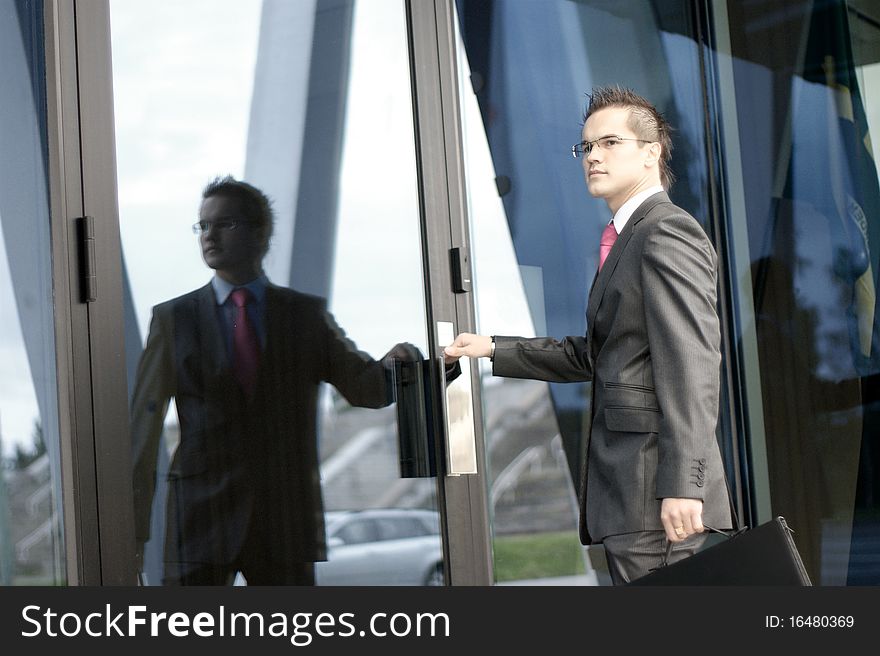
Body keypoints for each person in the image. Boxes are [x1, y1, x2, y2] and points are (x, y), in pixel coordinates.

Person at [444, 86, 732, 584]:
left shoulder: (665, 232)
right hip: (631, 493)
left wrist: (685, 485)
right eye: (586, 147)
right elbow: (598, 357)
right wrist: (493, 348)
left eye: (609, 143)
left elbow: (693, 365)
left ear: (651, 151)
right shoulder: (628, 237)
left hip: (655, 491)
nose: (593, 156)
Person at [131, 176, 415, 585]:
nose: (209, 236)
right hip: (199, 519)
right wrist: (133, 532)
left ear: (259, 232)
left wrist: (403, 361)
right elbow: (144, 428)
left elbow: (366, 389)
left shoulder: (303, 316)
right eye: (203, 226)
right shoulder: (173, 319)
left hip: (282, 517)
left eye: (223, 224)